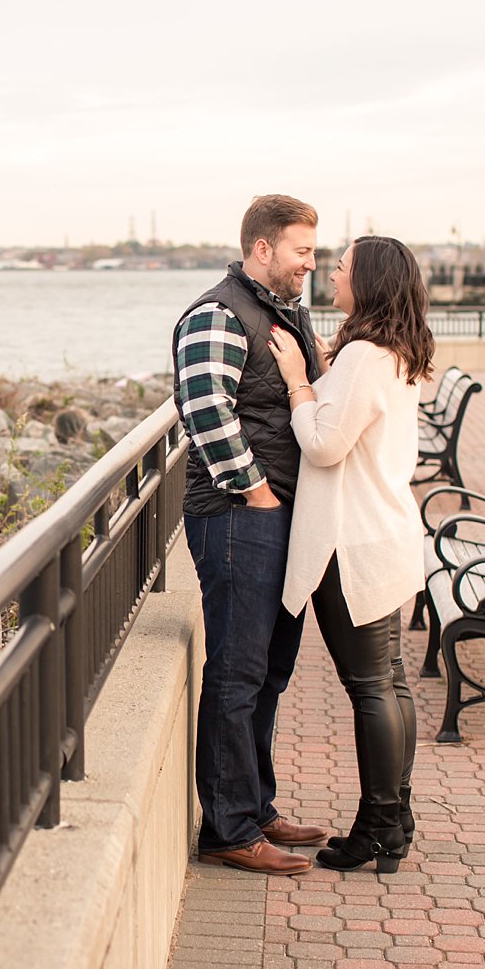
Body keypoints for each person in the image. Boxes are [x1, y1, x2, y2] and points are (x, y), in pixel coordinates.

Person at [171, 194, 331, 875]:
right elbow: (205, 408)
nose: (311, 264)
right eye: (302, 250)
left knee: (270, 670)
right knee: (236, 674)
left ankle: (256, 805)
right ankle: (228, 828)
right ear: (263, 248)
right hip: (239, 517)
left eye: (316, 252)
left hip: (275, 516)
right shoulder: (217, 312)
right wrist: (258, 492)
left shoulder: (283, 313)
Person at [265, 234, 435, 874]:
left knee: (370, 687)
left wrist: (296, 384)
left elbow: (325, 445)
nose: (330, 272)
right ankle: (395, 814)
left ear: (369, 282)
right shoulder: (393, 349)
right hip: (384, 533)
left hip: (352, 542)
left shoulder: (365, 354)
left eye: (342, 266)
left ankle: (380, 826)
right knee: (389, 683)